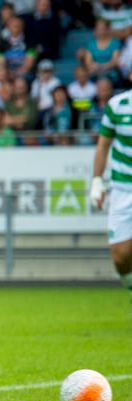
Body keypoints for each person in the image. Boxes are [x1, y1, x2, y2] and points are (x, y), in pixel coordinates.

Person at [90, 87, 132, 314]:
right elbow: (103, 145)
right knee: (120, 255)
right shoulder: (117, 105)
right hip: (123, 188)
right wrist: (97, 180)